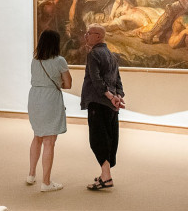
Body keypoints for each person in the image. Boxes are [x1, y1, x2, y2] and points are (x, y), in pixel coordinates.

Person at [27, 29, 72, 192]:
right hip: (50, 99)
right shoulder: (59, 61)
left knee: (37, 136)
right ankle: (46, 182)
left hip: (34, 97)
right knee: (49, 141)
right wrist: (57, 82)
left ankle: (31, 175)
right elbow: (68, 84)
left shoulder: (35, 60)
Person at [81, 24, 125, 191]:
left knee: (98, 139)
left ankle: (106, 177)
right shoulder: (112, 55)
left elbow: (96, 79)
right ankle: (105, 174)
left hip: (98, 102)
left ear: (98, 36)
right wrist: (118, 96)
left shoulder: (93, 54)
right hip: (110, 105)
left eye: (89, 33)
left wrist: (110, 96)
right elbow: (118, 80)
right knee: (109, 138)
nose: (86, 35)